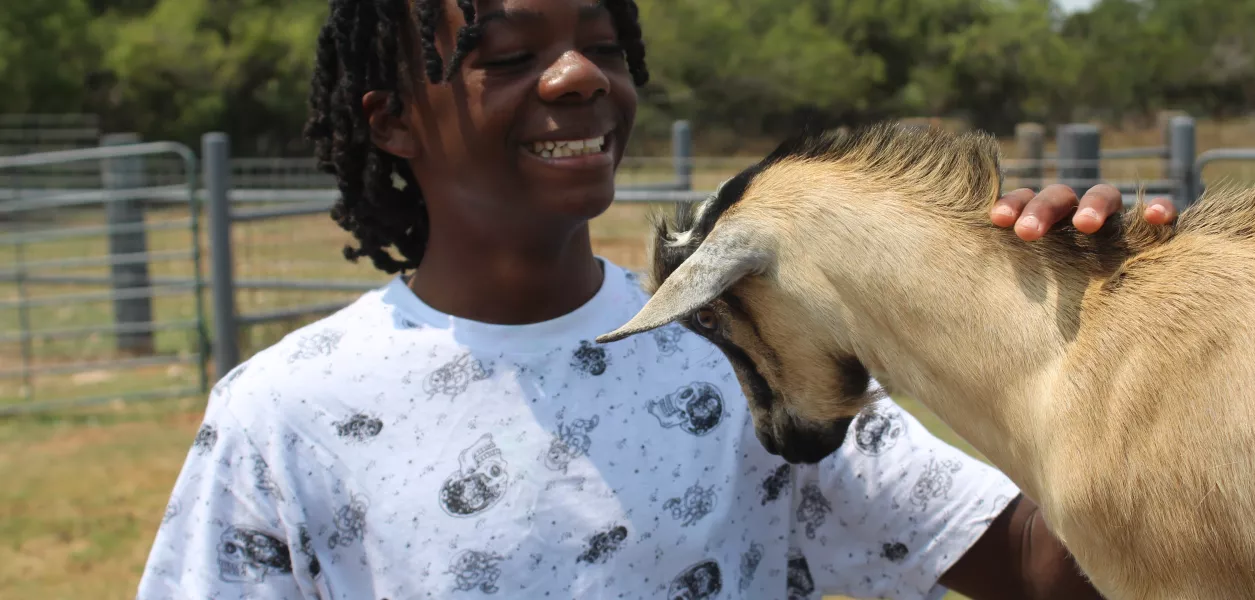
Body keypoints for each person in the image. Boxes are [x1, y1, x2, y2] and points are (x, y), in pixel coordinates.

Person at [135, 1, 1177, 598]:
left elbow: (1047, 570)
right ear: (392, 119)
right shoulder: (285, 414)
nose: (579, 76)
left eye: (605, 46)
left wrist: (1111, 334)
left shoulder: (741, 351)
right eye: (509, 57)